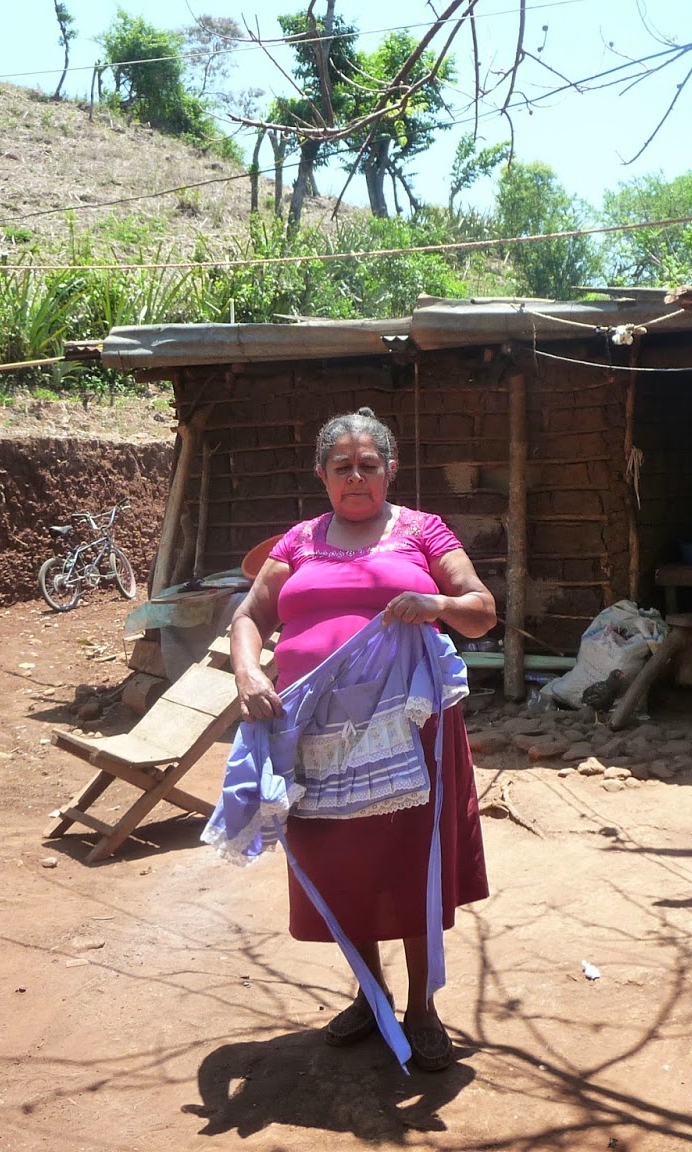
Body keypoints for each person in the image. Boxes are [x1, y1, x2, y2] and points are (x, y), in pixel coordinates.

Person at [228, 407, 496, 1072]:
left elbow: (482, 613)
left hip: (409, 731)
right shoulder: (296, 542)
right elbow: (249, 617)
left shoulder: (422, 532)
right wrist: (244, 670)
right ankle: (370, 995)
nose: (356, 477)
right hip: (314, 733)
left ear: (390, 469)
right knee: (341, 864)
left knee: (409, 864)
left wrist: (436, 605)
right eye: (342, 467)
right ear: (322, 475)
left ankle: (421, 1009)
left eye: (368, 465)